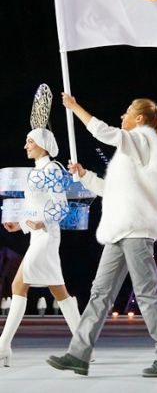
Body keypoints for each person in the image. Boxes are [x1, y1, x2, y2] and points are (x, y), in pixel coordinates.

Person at [46, 94, 157, 378]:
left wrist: (75, 108)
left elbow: (104, 132)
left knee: (146, 293)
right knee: (100, 294)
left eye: (127, 113)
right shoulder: (130, 153)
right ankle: (78, 355)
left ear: (140, 119)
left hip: (136, 231)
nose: (123, 117)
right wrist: (84, 176)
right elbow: (110, 190)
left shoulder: (144, 140)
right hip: (119, 230)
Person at [0, 128, 81, 367]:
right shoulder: (37, 171)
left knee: (18, 285)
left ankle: (3, 344)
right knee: (60, 291)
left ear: (43, 145)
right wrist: (21, 225)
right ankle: (83, 344)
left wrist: (42, 222)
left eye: (30, 141)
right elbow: (35, 209)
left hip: (47, 236)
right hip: (37, 235)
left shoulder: (52, 169)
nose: (26, 146)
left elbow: (62, 207)